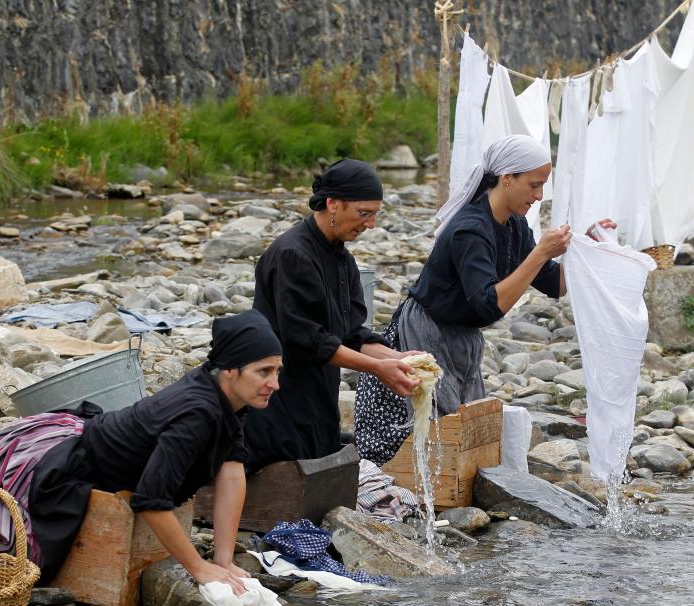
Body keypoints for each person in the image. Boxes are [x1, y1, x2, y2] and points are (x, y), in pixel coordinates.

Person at [0, 310, 283, 595]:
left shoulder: (229, 397)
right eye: (264, 371)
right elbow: (150, 501)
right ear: (230, 370)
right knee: (23, 564)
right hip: (61, 458)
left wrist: (224, 560)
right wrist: (199, 568)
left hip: (105, 445)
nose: (275, 383)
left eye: (277, 371)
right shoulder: (196, 413)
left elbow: (231, 471)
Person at [354, 134, 616, 465]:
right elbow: (489, 304)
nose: (539, 196)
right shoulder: (470, 229)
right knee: (435, 421)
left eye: (542, 187)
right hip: (428, 329)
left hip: (464, 334)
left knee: (466, 419)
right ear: (507, 179)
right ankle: (424, 489)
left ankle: (454, 489)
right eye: (534, 185)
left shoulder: (515, 226)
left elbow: (555, 284)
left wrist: (589, 248)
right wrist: (539, 254)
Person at [244, 158, 420, 473]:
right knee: (290, 471)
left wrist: (398, 358)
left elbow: (352, 333)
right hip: (279, 393)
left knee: (321, 462)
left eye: (375, 214)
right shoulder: (292, 254)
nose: (370, 224)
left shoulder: (343, 260)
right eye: (363, 213)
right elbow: (308, 340)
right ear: (333, 204)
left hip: (319, 390)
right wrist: (378, 369)